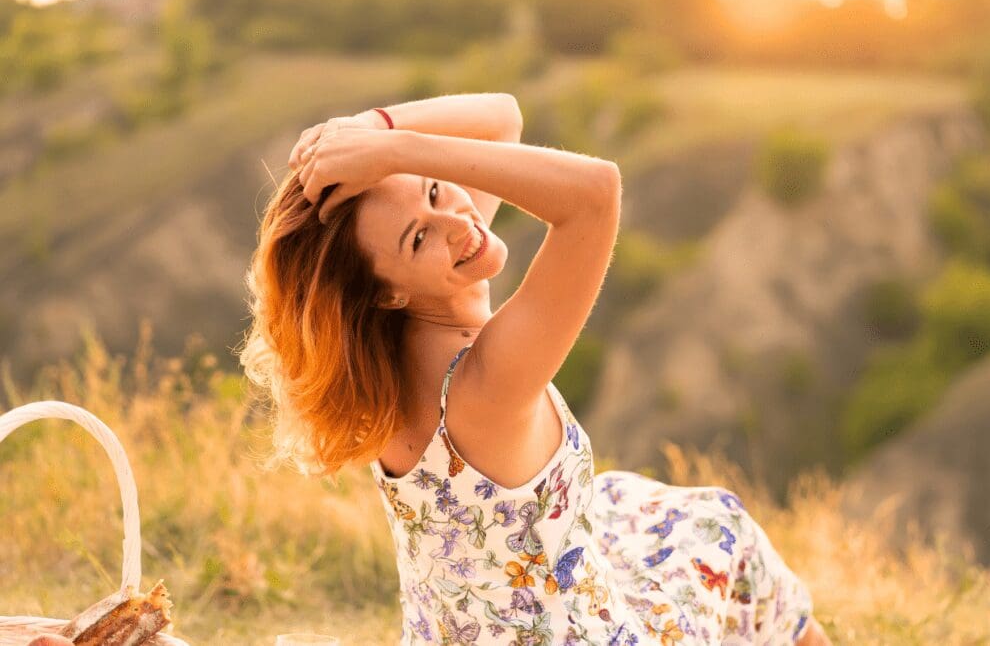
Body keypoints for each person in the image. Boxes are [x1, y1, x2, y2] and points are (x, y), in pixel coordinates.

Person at [240, 93, 831, 645]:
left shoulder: (388, 348)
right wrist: (397, 149)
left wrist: (375, 131)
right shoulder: (481, 386)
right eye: (420, 236)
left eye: (438, 191)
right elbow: (595, 194)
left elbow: (503, 120)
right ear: (386, 291)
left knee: (627, 501)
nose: (459, 223)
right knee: (723, 530)